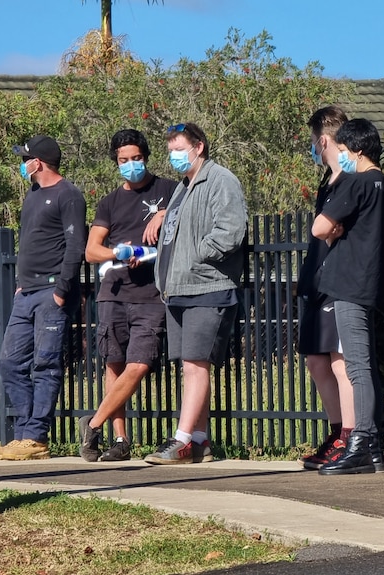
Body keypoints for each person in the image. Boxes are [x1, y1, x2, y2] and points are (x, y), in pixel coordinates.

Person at [145, 122, 247, 464]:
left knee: (195, 365)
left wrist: (196, 256)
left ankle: (182, 439)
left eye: (179, 149)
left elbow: (230, 231)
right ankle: (200, 440)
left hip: (208, 287)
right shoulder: (182, 187)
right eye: (170, 150)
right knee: (191, 366)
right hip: (178, 292)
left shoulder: (221, 180)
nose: (174, 156)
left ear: (198, 146)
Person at [78, 129, 177, 462]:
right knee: (114, 364)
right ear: (116, 162)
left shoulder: (168, 190)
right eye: (123, 160)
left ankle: (92, 423)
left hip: (152, 294)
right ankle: (120, 441)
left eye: (136, 158)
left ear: (146, 157)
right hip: (114, 292)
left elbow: (188, 207)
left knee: (138, 365)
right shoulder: (110, 201)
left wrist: (164, 214)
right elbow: (91, 251)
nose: (130, 165)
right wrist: (118, 253)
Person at [0, 135, 86, 461]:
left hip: (51, 293)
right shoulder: (33, 194)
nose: (22, 164)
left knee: (45, 364)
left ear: (38, 162)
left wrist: (61, 292)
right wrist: (20, 284)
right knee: (10, 363)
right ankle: (26, 434)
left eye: (25, 158)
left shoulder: (68, 195)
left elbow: (75, 247)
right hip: (26, 293)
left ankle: (34, 436)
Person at [312, 118, 384, 474]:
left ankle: (361, 440)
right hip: (368, 282)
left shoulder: (358, 182)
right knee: (363, 364)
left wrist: (333, 230)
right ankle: (371, 447)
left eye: (343, 151)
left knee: (357, 366)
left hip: (349, 284)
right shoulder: (381, 184)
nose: (340, 157)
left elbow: (319, 227)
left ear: (357, 151)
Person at [297, 106, 357, 470]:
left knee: (340, 361)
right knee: (316, 360)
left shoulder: (351, 178)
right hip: (316, 281)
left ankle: (351, 434)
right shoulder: (327, 181)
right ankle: (336, 430)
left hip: (339, 281)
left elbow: (337, 229)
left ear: (322, 140)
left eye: (313, 142)